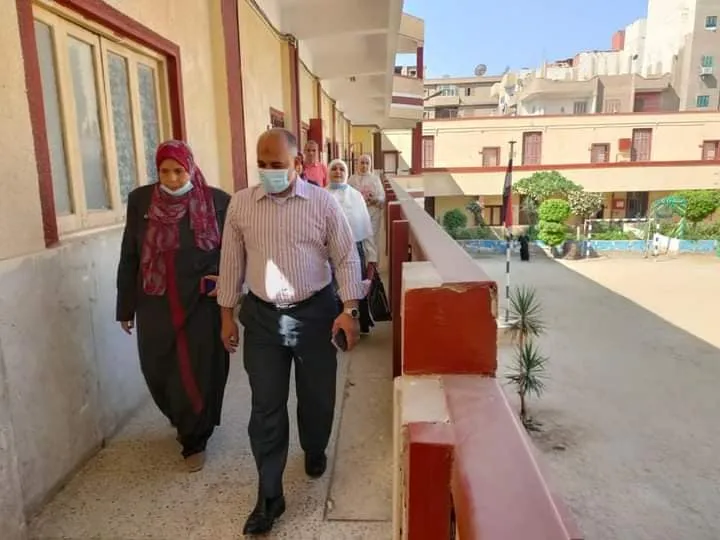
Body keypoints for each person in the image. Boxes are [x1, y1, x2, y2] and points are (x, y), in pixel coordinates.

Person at [217, 128, 365, 536]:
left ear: (298, 164)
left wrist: (349, 310)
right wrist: (226, 315)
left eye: (277, 165)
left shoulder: (322, 203)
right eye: (262, 165)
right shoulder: (241, 205)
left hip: (315, 313)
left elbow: (346, 257)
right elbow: (230, 262)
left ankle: (314, 446)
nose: (269, 172)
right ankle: (269, 497)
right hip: (263, 319)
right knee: (266, 407)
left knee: (316, 397)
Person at [116, 140, 231, 473]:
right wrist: (125, 307)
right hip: (155, 302)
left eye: (179, 171)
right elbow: (130, 254)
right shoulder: (141, 201)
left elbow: (233, 252)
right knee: (158, 368)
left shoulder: (217, 201)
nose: (172, 178)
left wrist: (227, 285)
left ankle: (195, 438)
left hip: (201, 303)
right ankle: (181, 418)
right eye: (164, 171)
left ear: (190, 168)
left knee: (200, 369)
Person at [327, 158, 377, 334]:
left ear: (346, 172)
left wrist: (372, 255)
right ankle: (336, 327)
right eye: (334, 169)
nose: (338, 172)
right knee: (333, 290)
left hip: (355, 249)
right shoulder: (322, 196)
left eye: (341, 169)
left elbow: (366, 227)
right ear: (328, 172)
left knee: (354, 288)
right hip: (329, 252)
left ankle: (355, 325)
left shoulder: (355, 196)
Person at [348, 153, 385, 252]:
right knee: (360, 240)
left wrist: (375, 199)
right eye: (362, 163)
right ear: (358, 164)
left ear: (370, 165)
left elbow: (382, 197)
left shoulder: (375, 179)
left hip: (373, 213)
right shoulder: (352, 179)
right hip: (357, 215)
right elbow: (347, 197)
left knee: (372, 239)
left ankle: (372, 260)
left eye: (367, 163)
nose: (364, 166)